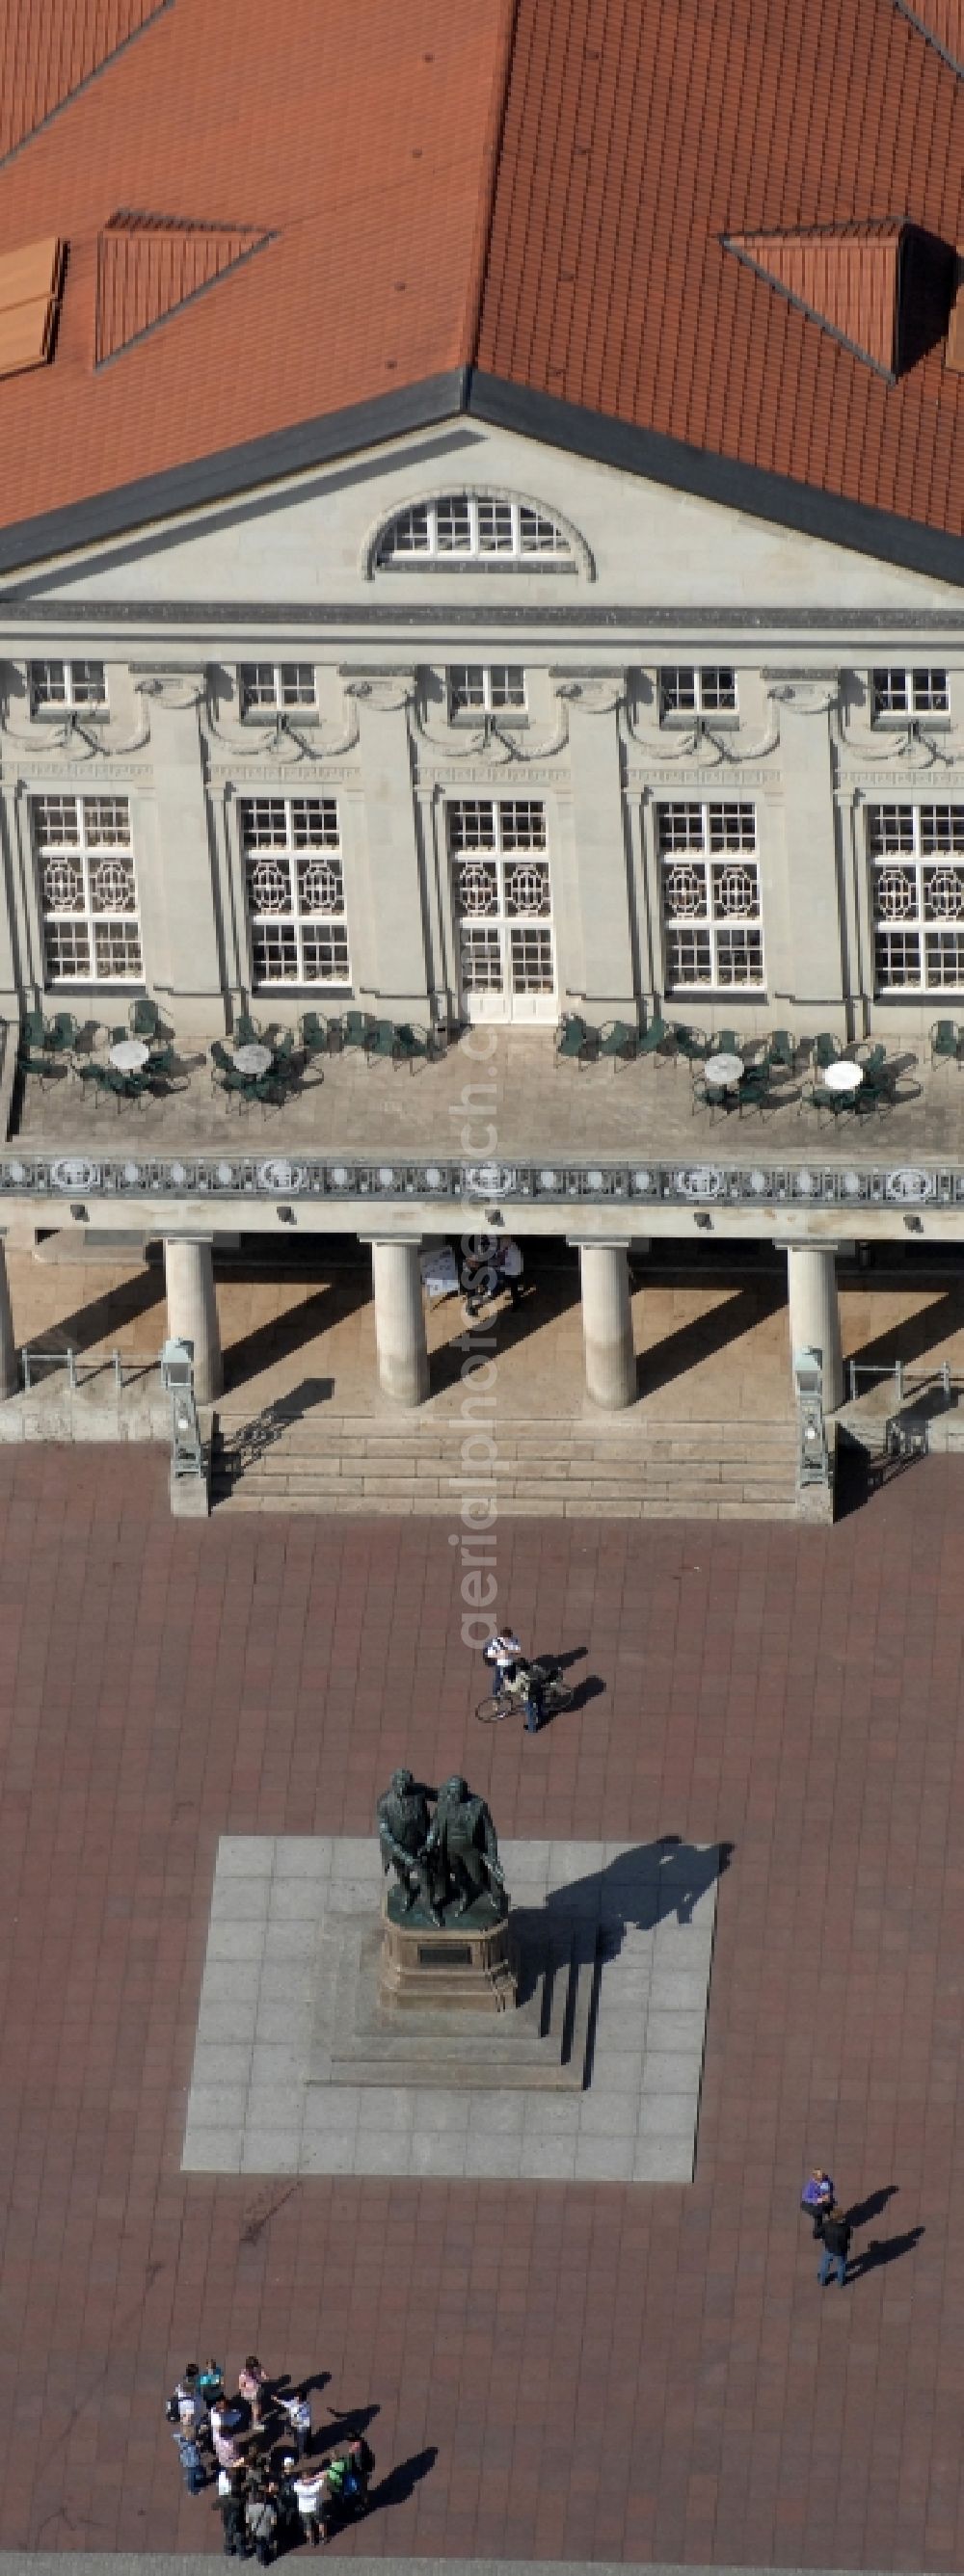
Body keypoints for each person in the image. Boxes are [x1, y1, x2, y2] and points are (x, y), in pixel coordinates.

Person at [483, 1627, 545, 1733]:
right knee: (498, 1682)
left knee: (512, 1681)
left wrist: (509, 1651)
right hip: (501, 1666)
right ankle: (496, 1698)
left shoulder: (514, 1640)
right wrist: (500, 1654)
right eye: (506, 1639)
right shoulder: (495, 1642)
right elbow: (489, 1654)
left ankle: (533, 1726)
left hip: (511, 1666)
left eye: (509, 1638)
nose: (508, 1640)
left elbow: (518, 1650)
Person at [294, 2460, 330, 2546]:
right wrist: (314, 2478)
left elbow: (298, 2482)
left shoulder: (297, 2487)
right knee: (321, 2522)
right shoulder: (316, 2486)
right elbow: (325, 2474)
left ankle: (311, 2541)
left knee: (308, 2526)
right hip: (316, 2507)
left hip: (304, 2509)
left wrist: (307, 2480)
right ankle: (323, 2538)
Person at [216, 2463, 248, 2557]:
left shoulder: (225, 2500)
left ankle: (228, 2551)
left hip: (227, 2521)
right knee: (239, 2539)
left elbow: (214, 2506)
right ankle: (242, 2554)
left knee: (228, 2536)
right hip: (238, 2523)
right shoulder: (239, 2501)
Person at [818, 2202, 851, 2288]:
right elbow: (849, 2236)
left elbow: (818, 2232)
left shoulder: (826, 2225)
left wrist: (823, 2238)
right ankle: (841, 2282)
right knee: (841, 2265)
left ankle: (822, 2280)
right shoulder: (845, 2228)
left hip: (829, 2248)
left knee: (825, 2262)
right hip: (841, 2250)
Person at [801, 2167, 835, 2242]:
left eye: (822, 2178)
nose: (822, 2180)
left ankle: (833, 2222)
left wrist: (829, 2193)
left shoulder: (825, 2179)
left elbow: (831, 2185)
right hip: (816, 2205)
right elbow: (805, 2198)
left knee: (830, 2210)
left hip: (826, 2200)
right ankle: (817, 2235)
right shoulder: (810, 2186)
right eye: (820, 2180)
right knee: (818, 2219)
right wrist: (817, 2199)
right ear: (814, 2179)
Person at [278, 2387, 311, 2459]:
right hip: (306, 2425)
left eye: (296, 2396)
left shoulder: (295, 2406)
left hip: (301, 2427)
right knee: (306, 2438)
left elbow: (284, 2403)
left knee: (300, 2441)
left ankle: (302, 2453)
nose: (294, 2397)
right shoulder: (307, 2404)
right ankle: (307, 2447)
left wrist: (276, 2399)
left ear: (298, 2399)